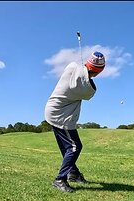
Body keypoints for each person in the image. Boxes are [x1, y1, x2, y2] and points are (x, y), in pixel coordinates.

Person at [44, 51, 105, 193]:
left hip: (52, 110)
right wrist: (89, 72)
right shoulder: (88, 90)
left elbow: (79, 68)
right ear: (98, 72)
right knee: (74, 147)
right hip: (61, 115)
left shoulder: (71, 66)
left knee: (67, 148)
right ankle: (60, 179)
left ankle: (74, 173)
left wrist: (85, 67)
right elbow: (90, 87)